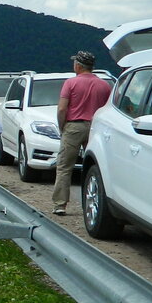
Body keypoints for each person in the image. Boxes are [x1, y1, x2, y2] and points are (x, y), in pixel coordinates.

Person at [52, 50, 112, 215]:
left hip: (74, 126)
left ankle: (60, 204)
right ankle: (98, 203)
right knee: (96, 167)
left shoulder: (71, 83)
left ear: (78, 65)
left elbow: (62, 108)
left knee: (64, 166)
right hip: (95, 128)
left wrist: (62, 126)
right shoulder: (104, 85)